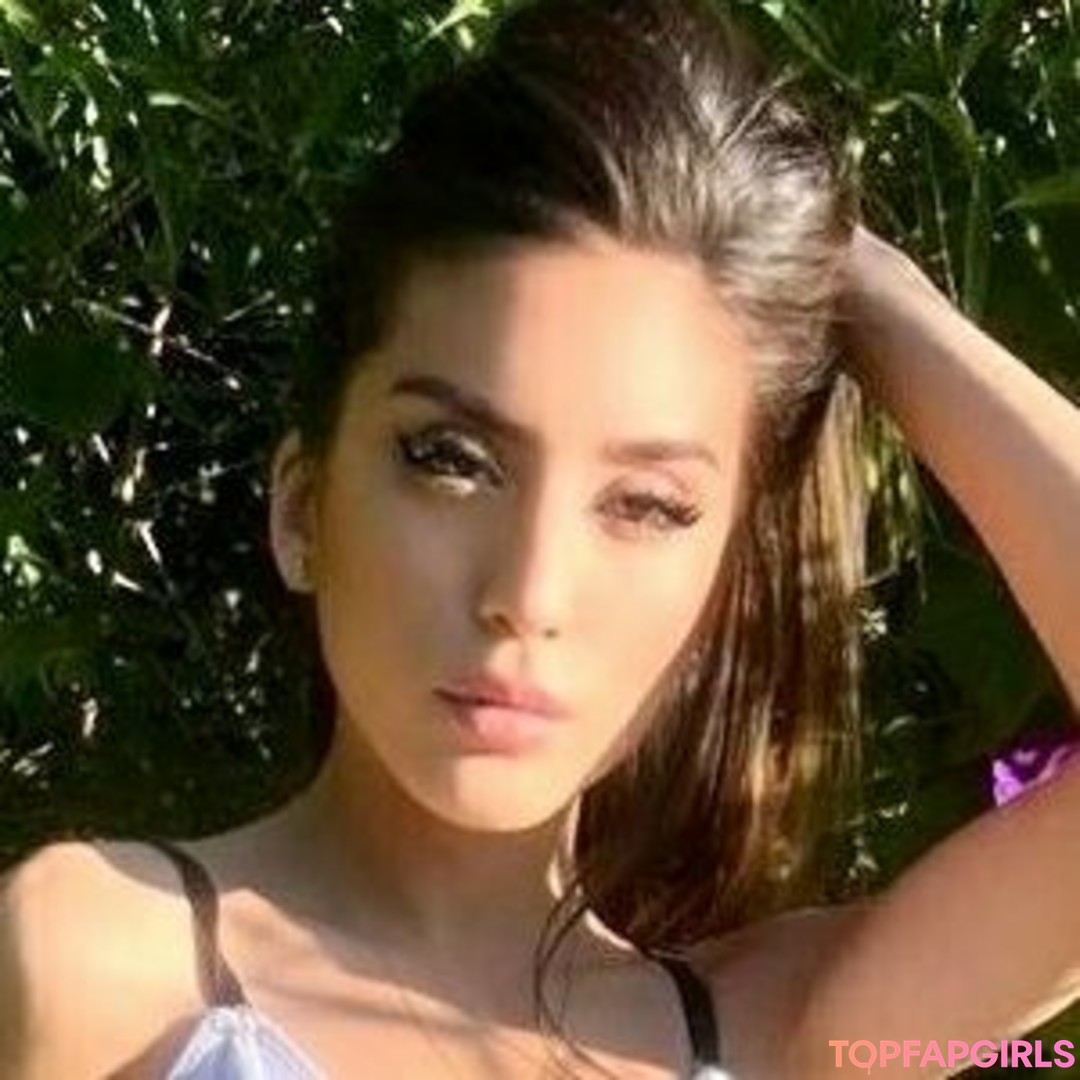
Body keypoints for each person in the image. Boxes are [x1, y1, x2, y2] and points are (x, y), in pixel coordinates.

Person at [3, 0, 1079, 1077]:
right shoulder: (93, 963)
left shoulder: (790, 1041)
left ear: (721, 587)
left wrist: (867, 288)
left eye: (647, 505)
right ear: (301, 507)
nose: (530, 591)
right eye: (452, 459)